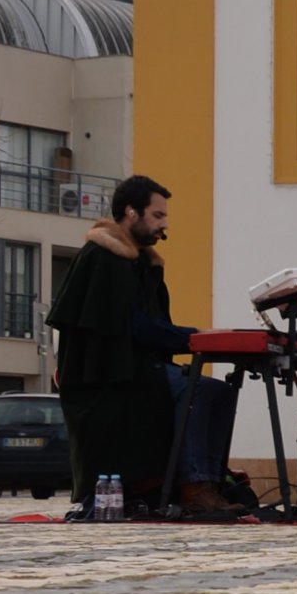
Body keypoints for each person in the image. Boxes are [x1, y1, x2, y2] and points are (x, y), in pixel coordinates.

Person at [45, 174, 236, 515]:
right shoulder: (105, 259)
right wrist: (194, 336)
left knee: (221, 392)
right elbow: (134, 327)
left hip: (139, 368)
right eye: (158, 215)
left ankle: (209, 483)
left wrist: (192, 336)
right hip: (112, 378)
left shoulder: (140, 264)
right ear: (132, 213)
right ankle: (193, 485)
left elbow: (150, 326)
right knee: (201, 391)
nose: (164, 225)